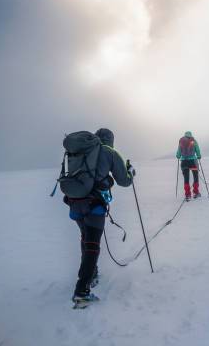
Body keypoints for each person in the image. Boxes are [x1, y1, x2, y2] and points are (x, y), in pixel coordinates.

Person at [63, 128, 135, 308]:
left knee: (85, 238)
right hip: (94, 204)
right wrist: (130, 172)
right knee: (92, 244)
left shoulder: (82, 150)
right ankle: (82, 291)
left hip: (74, 201)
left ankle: (91, 274)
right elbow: (124, 181)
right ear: (111, 139)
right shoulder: (110, 152)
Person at [176, 131, 202, 200]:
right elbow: (197, 149)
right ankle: (196, 192)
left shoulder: (181, 141)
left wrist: (178, 156)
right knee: (195, 176)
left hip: (184, 162)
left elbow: (179, 151)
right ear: (190, 135)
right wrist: (199, 156)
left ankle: (187, 194)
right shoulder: (193, 141)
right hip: (192, 161)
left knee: (186, 178)